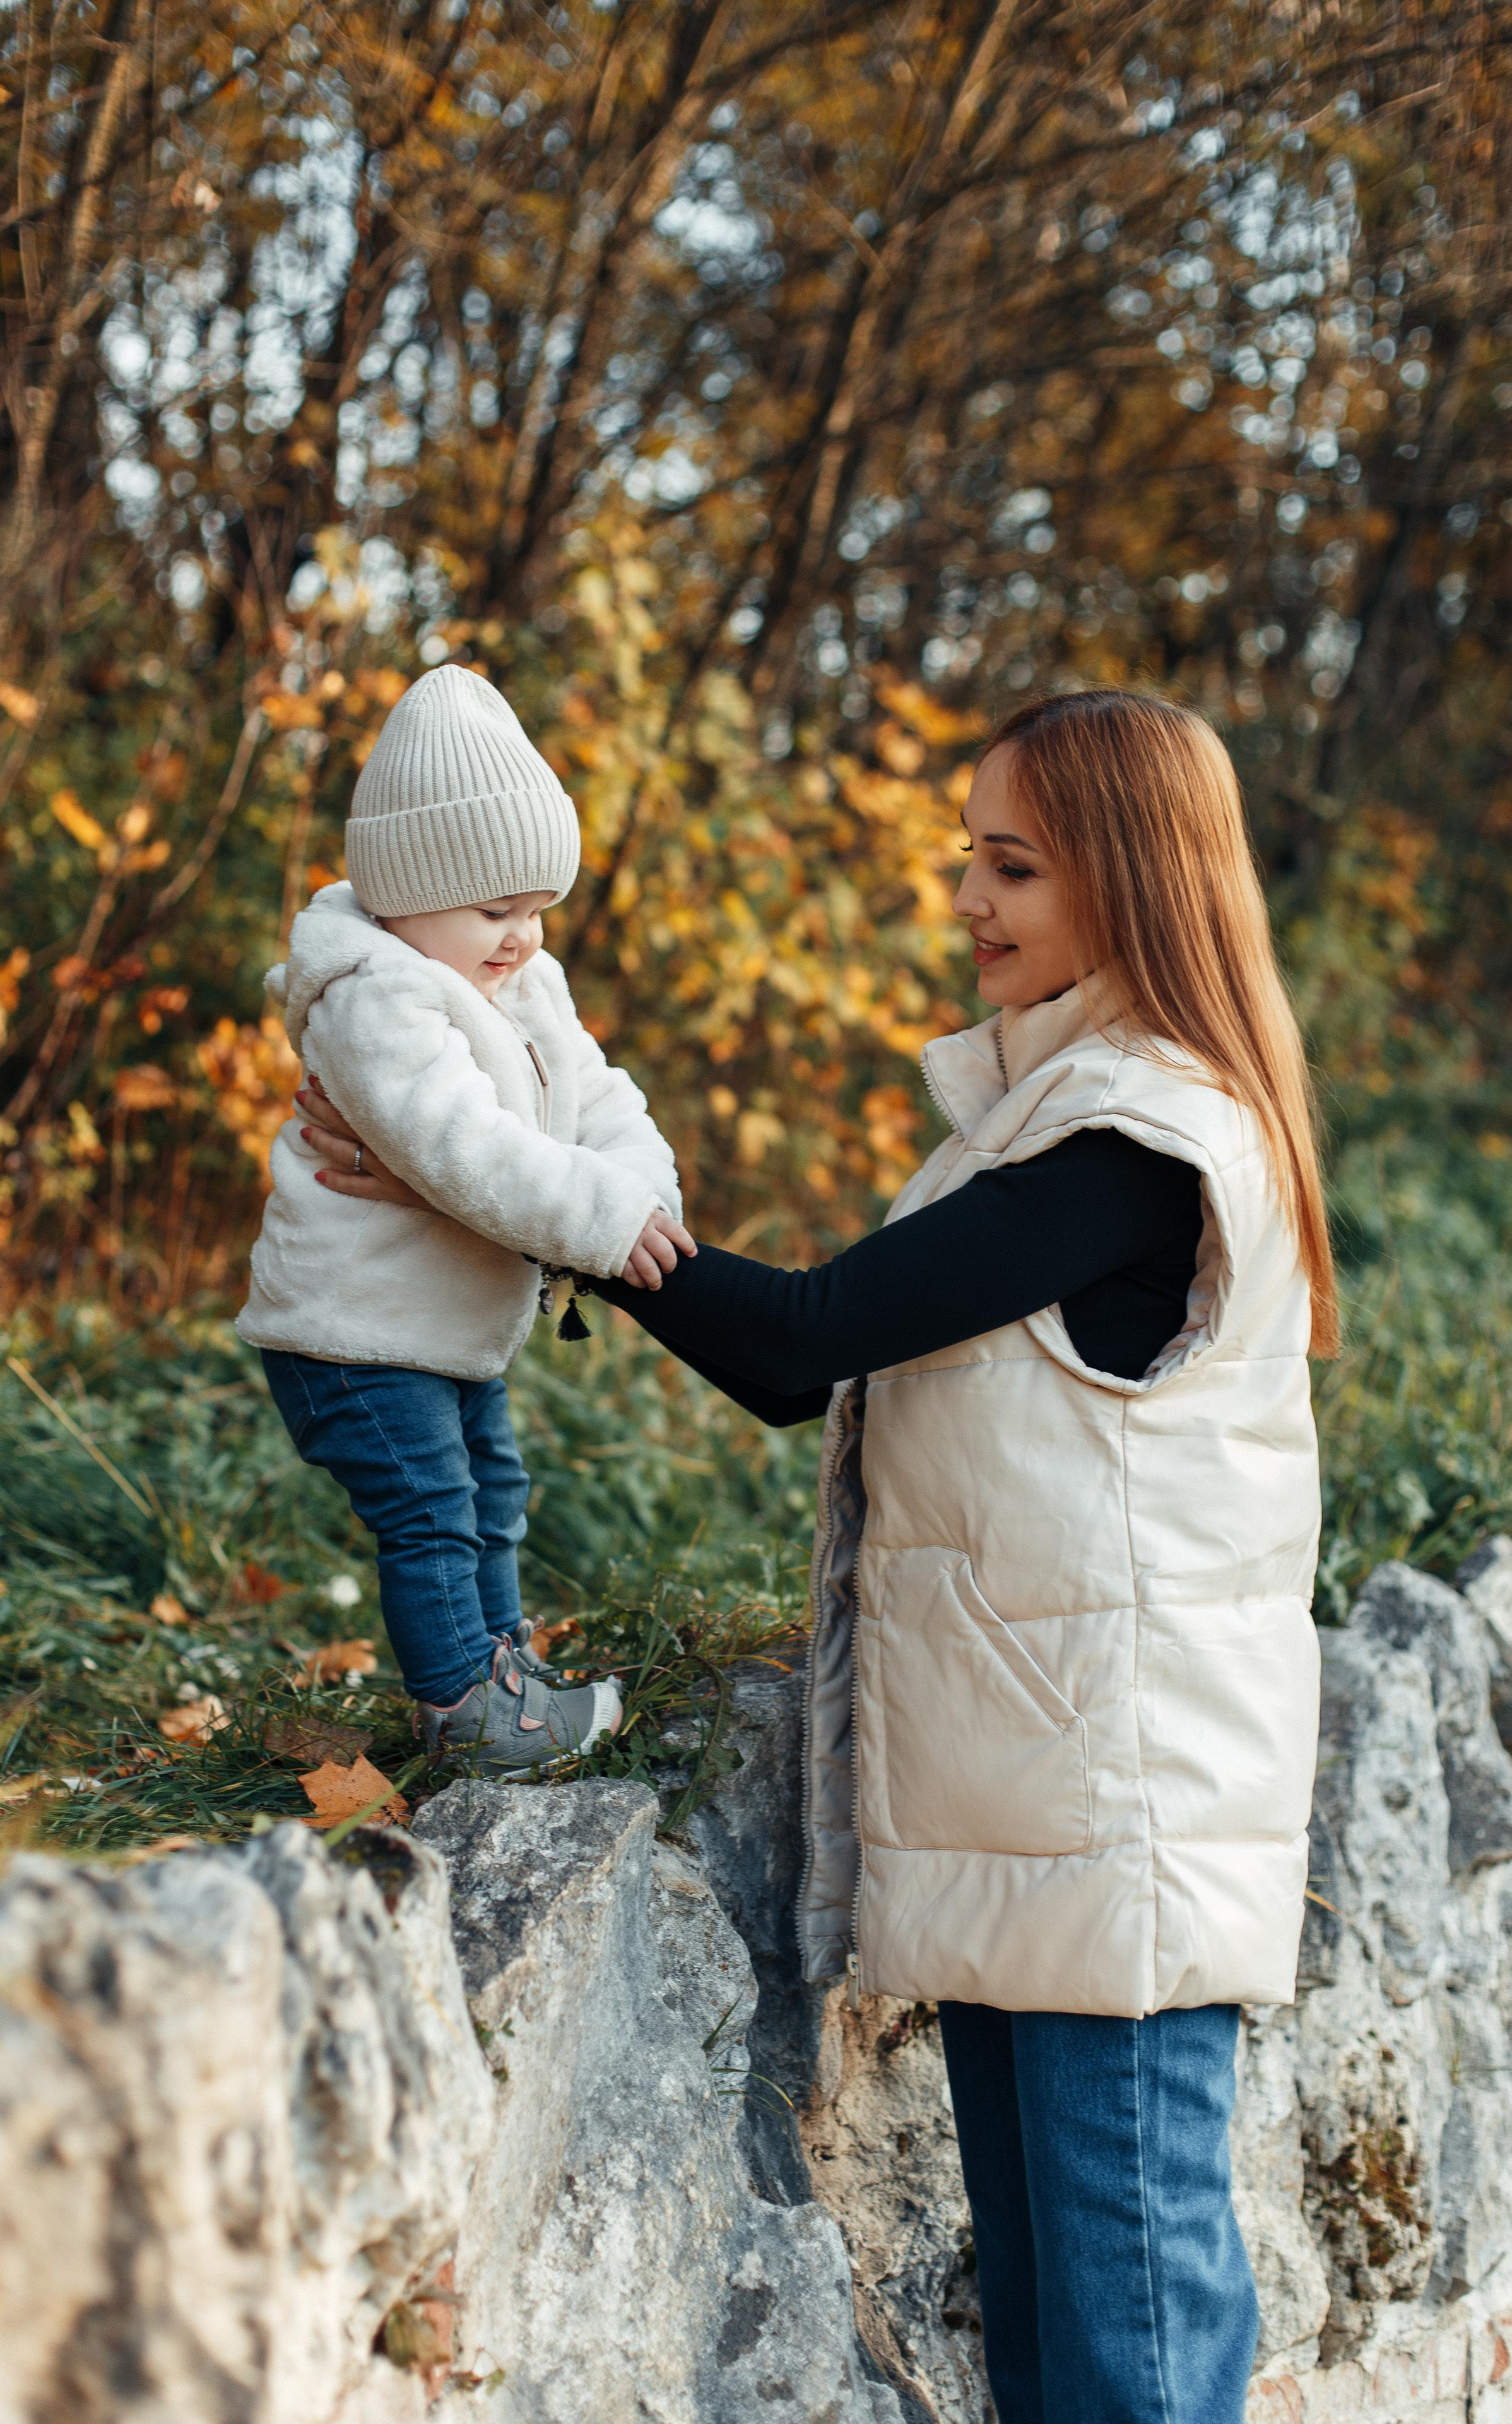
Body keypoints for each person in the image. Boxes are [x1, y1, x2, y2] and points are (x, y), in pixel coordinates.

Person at [303, 687, 1331, 2424]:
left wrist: (541, 1198)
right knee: (1065, 2351)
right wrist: (530, 1175)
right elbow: (814, 1373)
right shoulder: (1059, 1120)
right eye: (967, 860)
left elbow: (801, 1340)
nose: (969, 901)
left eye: (1011, 866)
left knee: (1134, 2358)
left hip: (1120, 1836)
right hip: (1056, 1825)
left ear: (1133, 884)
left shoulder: (1132, 1149)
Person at [237, 665, 694, 1773]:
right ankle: (464, 1713)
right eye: (497, 910)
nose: (525, 937)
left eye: (539, 909)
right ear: (406, 890)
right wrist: (590, 1216)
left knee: (494, 1495)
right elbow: (462, 1148)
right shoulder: (375, 997)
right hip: (353, 1331)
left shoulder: (517, 984)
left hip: (438, 1327)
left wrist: (641, 1195)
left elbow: (599, 1098)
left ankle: (505, 1674)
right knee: (435, 1512)